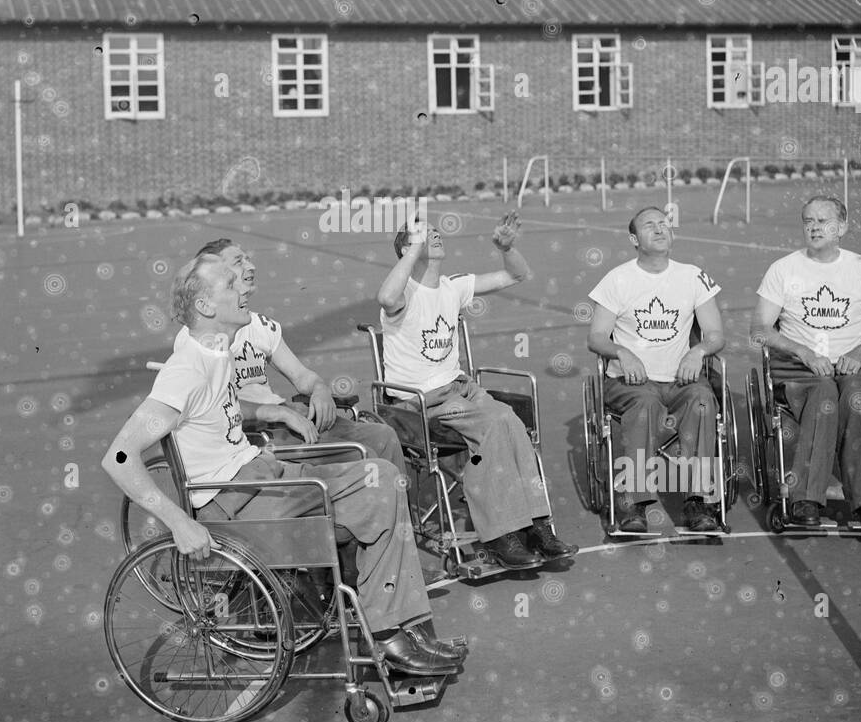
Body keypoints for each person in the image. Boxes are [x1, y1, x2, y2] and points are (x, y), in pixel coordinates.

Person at [102, 253, 466, 676]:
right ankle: (390, 635)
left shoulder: (214, 350)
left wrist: (271, 412)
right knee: (376, 490)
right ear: (205, 306)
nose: (243, 288)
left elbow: (211, 408)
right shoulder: (185, 370)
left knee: (381, 477)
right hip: (236, 499)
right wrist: (179, 523)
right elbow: (119, 456)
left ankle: (396, 626)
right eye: (229, 284)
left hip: (259, 475)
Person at [377, 213, 577, 569]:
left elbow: (516, 274)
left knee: (512, 422)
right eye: (423, 234)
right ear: (408, 247)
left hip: (460, 389)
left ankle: (536, 525)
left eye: (435, 231)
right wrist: (411, 252)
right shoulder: (404, 291)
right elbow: (385, 295)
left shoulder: (453, 286)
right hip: (420, 401)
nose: (434, 235)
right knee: (496, 422)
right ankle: (500, 534)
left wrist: (507, 248)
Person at [190, 238, 406, 473]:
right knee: (366, 457)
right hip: (257, 433)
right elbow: (214, 405)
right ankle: (367, 499)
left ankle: (401, 508)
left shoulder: (261, 325)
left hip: (287, 419)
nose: (250, 266)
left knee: (383, 435)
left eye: (248, 259)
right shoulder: (204, 332)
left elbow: (301, 376)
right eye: (238, 261)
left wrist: (320, 390)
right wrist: (280, 413)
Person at [751, 195, 861, 529]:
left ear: (841, 227)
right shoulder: (783, 269)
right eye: (808, 221)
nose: (814, 227)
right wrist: (803, 352)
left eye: (823, 221)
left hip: (855, 364)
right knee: (824, 396)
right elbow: (759, 330)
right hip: (802, 368)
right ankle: (805, 498)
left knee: (856, 398)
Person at [586, 206, 726, 533]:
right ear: (634, 239)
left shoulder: (693, 276)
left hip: (680, 380)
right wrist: (622, 352)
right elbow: (595, 337)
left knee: (704, 401)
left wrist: (699, 351)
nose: (660, 229)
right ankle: (633, 501)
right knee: (646, 404)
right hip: (631, 382)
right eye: (650, 226)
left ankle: (699, 500)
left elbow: (716, 335)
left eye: (664, 223)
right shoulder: (617, 279)